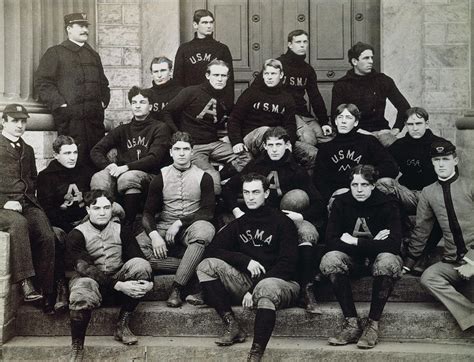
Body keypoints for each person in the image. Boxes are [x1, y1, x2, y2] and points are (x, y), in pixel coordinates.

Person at [197, 173, 300, 361]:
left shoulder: (282, 222)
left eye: (255, 192)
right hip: (247, 282)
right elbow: (211, 250)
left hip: (282, 283)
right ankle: (232, 324)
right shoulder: (239, 223)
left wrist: (253, 289)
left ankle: (255, 354)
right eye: (246, 192)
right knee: (206, 266)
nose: (250, 197)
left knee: (266, 287)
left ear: (266, 194)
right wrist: (245, 261)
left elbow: (288, 265)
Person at [222, 127, 325, 313]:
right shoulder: (256, 166)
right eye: (270, 145)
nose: (275, 149)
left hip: (287, 218)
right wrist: (237, 211)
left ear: (287, 146)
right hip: (260, 219)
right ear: (264, 146)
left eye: (279, 145)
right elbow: (229, 188)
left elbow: (318, 203)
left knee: (308, 233)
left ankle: (306, 289)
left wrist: (301, 216)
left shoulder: (297, 170)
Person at [320, 165, 403, 349]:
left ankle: (372, 325)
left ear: (373, 185)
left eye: (364, 185)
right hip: (353, 260)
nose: (359, 190)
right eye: (354, 184)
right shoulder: (341, 202)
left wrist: (354, 242)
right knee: (330, 259)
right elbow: (330, 241)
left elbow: (393, 245)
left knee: (388, 259)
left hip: (379, 260)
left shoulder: (388, 203)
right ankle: (351, 323)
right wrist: (373, 245)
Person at [67, 190, 153, 361]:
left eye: (106, 207)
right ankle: (77, 346)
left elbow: (140, 259)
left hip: (118, 283)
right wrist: (119, 285)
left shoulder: (122, 230)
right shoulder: (76, 234)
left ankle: (122, 324)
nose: (102, 212)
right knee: (82, 288)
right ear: (88, 210)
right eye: (97, 208)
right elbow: (85, 268)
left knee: (140, 265)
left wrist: (150, 283)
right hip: (92, 283)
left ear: (112, 209)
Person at [137, 132, 216, 308]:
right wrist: (155, 235)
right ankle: (191, 265)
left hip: (191, 227)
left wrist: (180, 222)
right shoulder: (160, 177)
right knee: (137, 249)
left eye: (186, 149)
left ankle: (177, 288)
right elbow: (148, 213)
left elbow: (208, 212)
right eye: (177, 149)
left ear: (192, 152)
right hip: (165, 225)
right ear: (171, 152)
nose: (181, 153)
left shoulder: (204, 177)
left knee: (205, 230)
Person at [403, 140, 474, 331]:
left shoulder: (470, 186)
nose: (441, 164)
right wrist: (409, 262)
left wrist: (472, 262)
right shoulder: (428, 192)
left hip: (473, 258)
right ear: (432, 163)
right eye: (437, 160)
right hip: (453, 262)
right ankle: (470, 316)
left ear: (455, 160)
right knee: (429, 277)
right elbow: (422, 230)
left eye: (445, 159)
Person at [0, 104, 60, 313]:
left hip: (27, 203)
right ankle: (26, 283)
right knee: (18, 224)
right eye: (15, 120)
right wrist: (4, 202)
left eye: (23, 121)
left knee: (46, 233)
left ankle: (47, 291)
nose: (20, 125)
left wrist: (30, 201)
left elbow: (32, 179)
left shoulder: (28, 149)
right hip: (3, 206)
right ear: (3, 121)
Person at [162, 60, 250, 194]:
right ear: (207, 76)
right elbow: (167, 111)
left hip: (215, 143)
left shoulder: (226, 98)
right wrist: (178, 135)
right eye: (216, 75)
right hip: (195, 146)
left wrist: (231, 137)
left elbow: (233, 120)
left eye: (223, 75)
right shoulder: (191, 92)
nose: (220, 79)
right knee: (211, 176)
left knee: (246, 157)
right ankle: (214, 210)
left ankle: (221, 181)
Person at [35, 12, 110, 169]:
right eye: (80, 26)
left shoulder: (94, 55)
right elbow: (43, 82)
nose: (85, 30)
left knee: (96, 161)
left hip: (94, 122)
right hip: (70, 122)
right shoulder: (55, 52)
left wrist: (103, 101)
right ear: (69, 28)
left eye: (86, 26)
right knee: (73, 162)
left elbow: (103, 83)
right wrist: (60, 104)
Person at [90, 86, 172, 226]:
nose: (138, 106)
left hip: (150, 177)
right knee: (99, 177)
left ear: (150, 106)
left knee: (129, 177)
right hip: (123, 174)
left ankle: (128, 224)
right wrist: (109, 166)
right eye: (134, 102)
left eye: (142, 102)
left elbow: (154, 158)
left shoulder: (160, 128)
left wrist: (126, 167)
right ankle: (106, 221)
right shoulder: (123, 129)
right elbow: (96, 150)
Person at [227, 59, 316, 172]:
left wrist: (289, 143)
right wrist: (236, 141)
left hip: (276, 140)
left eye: (273, 73)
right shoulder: (251, 93)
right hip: (252, 137)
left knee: (312, 153)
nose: (269, 77)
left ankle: (301, 185)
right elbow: (234, 119)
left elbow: (290, 125)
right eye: (266, 73)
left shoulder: (287, 98)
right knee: (266, 131)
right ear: (263, 75)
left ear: (281, 75)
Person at [313, 103, 398, 204]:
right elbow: (319, 180)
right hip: (341, 196)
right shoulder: (325, 149)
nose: (343, 121)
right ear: (335, 121)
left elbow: (391, 167)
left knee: (385, 183)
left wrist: (364, 177)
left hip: (366, 191)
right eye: (340, 117)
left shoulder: (368, 142)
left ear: (356, 122)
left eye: (348, 117)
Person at [331, 42, 410, 146]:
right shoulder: (342, 85)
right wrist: (359, 131)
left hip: (382, 132)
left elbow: (404, 107)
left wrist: (396, 129)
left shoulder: (383, 80)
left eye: (372, 58)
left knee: (395, 152)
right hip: (355, 133)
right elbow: (335, 116)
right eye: (366, 58)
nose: (371, 61)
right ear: (354, 61)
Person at [278, 30, 332, 145]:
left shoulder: (308, 69)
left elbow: (315, 97)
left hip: (303, 113)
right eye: (298, 42)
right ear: (290, 44)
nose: (302, 45)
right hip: (286, 114)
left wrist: (324, 122)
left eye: (305, 42)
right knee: (309, 139)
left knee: (328, 138)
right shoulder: (279, 64)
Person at [174, 9, 234, 107]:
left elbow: (229, 81)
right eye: (204, 22)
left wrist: (228, 106)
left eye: (211, 22)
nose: (209, 26)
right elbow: (178, 80)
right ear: (195, 25)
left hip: (216, 102)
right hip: (191, 102)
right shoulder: (184, 49)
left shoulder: (222, 49)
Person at [146, 56, 183, 124]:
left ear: (170, 71)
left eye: (163, 70)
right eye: (156, 71)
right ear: (151, 74)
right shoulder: (146, 94)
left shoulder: (181, 92)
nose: (159, 75)